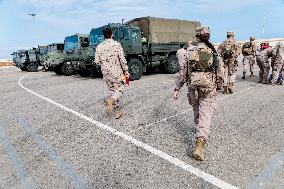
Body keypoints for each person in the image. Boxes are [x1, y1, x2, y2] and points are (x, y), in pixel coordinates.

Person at [174, 26, 222, 161]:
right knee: (205, 115)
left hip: (193, 88)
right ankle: (200, 142)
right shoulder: (213, 52)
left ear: (197, 37)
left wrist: (177, 89)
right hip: (208, 88)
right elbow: (220, 72)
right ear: (208, 37)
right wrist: (217, 86)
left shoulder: (189, 51)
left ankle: (199, 129)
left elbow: (182, 72)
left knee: (197, 111)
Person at [95, 28, 129, 119]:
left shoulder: (99, 46)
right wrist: (126, 71)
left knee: (113, 91)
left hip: (106, 73)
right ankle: (111, 100)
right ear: (112, 34)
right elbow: (122, 59)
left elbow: (97, 61)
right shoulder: (116, 44)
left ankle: (118, 112)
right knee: (122, 87)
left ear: (103, 36)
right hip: (117, 72)